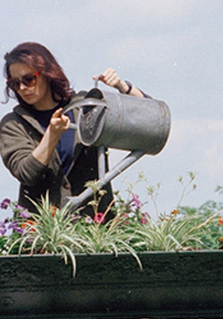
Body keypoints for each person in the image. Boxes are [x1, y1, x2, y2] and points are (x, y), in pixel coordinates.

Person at [0, 42, 146, 216]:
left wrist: (123, 87)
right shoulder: (13, 124)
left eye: (29, 79)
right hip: (43, 237)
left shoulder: (85, 106)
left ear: (47, 74)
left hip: (96, 232)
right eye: (15, 83)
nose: (23, 88)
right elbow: (26, 173)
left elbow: (151, 119)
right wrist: (52, 135)